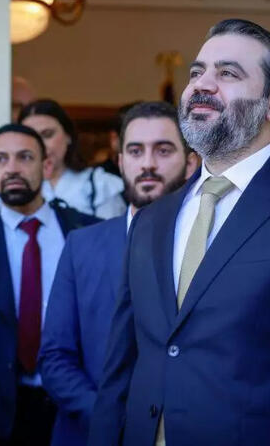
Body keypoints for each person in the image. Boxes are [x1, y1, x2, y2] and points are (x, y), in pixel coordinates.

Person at [89, 19, 270, 445]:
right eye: (197, 72)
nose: (202, 84)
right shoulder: (150, 221)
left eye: (227, 73)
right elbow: (121, 364)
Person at [38, 101, 197, 445]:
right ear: (121, 161)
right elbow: (55, 357)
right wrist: (111, 418)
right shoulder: (81, 246)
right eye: (136, 151)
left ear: (191, 163)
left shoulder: (211, 247)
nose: (148, 163)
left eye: (163, 150)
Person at [0, 124, 98, 445]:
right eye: (1, 159)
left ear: (47, 166)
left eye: (25, 157)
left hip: (81, 409)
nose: (12, 168)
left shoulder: (87, 233)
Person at [0, 99, 126, 220]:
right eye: (31, 137)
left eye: (47, 134)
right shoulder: (7, 193)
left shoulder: (100, 186)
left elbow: (110, 240)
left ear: (68, 136)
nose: (40, 145)